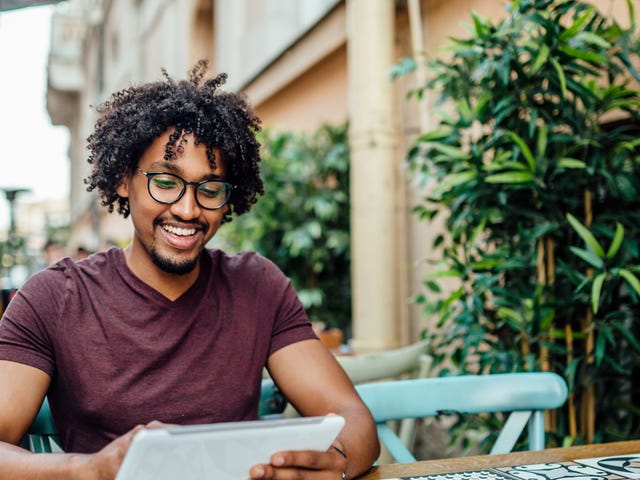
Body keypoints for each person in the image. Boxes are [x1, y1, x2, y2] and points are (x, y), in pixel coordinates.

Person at [0, 60, 379, 479]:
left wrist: (334, 463)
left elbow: (353, 419)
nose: (187, 208)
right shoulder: (53, 298)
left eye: (210, 189)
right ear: (124, 180)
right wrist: (88, 470)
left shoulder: (258, 286)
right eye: (165, 182)